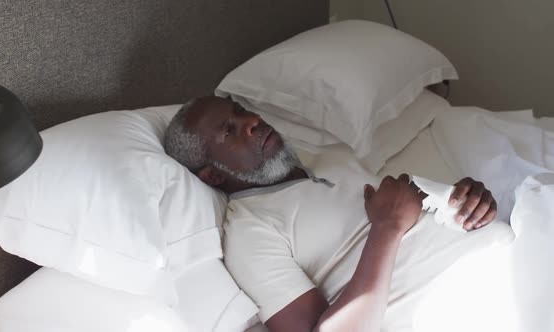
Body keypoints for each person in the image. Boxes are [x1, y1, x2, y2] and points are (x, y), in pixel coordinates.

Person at [163, 96, 498, 332]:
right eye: (229, 131)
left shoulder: (327, 157)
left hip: (503, 247)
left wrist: (467, 201)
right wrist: (387, 228)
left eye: (241, 112)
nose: (252, 122)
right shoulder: (250, 232)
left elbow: (409, 210)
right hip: (465, 301)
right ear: (213, 175)